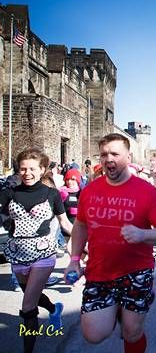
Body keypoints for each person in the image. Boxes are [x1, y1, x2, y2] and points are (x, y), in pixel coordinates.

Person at [64, 133, 156, 353]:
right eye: (104, 154)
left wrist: (143, 235)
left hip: (136, 272)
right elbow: (81, 225)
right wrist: (74, 259)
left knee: (131, 332)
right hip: (99, 272)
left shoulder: (147, 192)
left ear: (128, 157)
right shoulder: (90, 191)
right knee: (93, 334)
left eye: (115, 153)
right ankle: (121, 310)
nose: (108, 159)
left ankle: (131, 316)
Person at [1, 148, 73, 352]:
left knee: (27, 306)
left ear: (42, 169)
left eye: (32, 168)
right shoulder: (9, 193)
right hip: (17, 252)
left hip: (43, 254)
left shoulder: (52, 194)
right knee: (32, 296)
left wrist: (86, 241)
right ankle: (53, 309)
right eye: (23, 169)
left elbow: (65, 224)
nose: (27, 173)